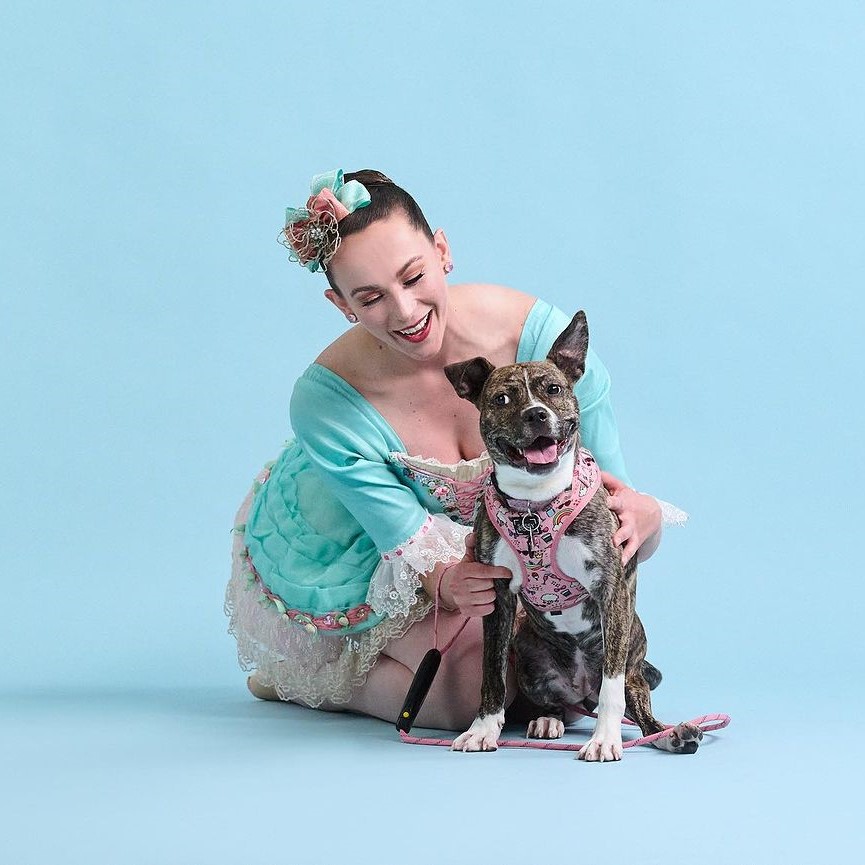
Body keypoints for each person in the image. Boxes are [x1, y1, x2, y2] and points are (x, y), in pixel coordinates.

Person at [225, 168, 684, 731]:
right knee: (466, 699)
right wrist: (445, 580)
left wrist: (647, 516)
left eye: (414, 277)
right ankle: (308, 679)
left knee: (535, 670)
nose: (404, 312)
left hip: (512, 538)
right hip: (366, 544)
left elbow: (611, 507)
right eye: (370, 298)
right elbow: (406, 544)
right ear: (341, 304)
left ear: (442, 251)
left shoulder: (542, 338)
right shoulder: (325, 404)